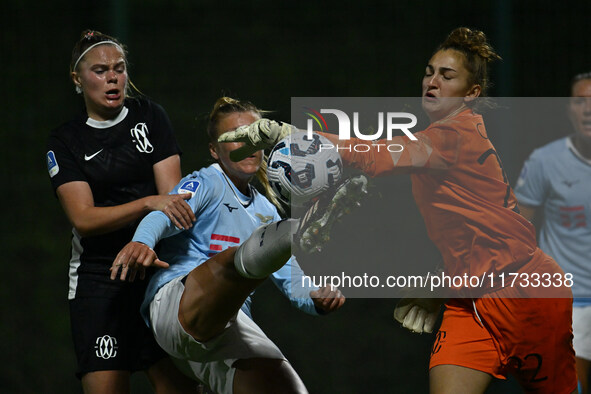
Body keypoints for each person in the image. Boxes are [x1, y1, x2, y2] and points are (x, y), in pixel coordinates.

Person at [219, 28, 577, 393]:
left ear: (472, 94)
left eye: (447, 76)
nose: (432, 82)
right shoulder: (440, 139)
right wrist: (440, 283)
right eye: (429, 72)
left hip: (527, 296)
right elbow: (472, 231)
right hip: (468, 303)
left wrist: (287, 132)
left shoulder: (453, 137)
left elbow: (374, 155)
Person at [109, 97, 345, 394]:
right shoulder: (207, 182)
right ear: (214, 150)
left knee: (287, 389)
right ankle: (300, 227)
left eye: (254, 133)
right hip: (176, 308)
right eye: (235, 137)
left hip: (223, 330)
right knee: (238, 260)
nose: (248, 142)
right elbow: (163, 214)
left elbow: (291, 278)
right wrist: (142, 242)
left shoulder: (266, 211)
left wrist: (316, 297)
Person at [46, 30, 198, 393]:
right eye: (99, 70)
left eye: (119, 68)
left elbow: (172, 201)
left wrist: (152, 224)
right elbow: (84, 218)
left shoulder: (151, 116)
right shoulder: (66, 141)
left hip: (156, 273)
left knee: (181, 387)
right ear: (77, 79)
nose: (112, 78)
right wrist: (147, 203)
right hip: (100, 279)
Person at [514, 72, 591, 393]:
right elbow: (516, 235)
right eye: (579, 101)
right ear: (568, 110)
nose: (587, 109)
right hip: (569, 303)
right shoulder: (545, 161)